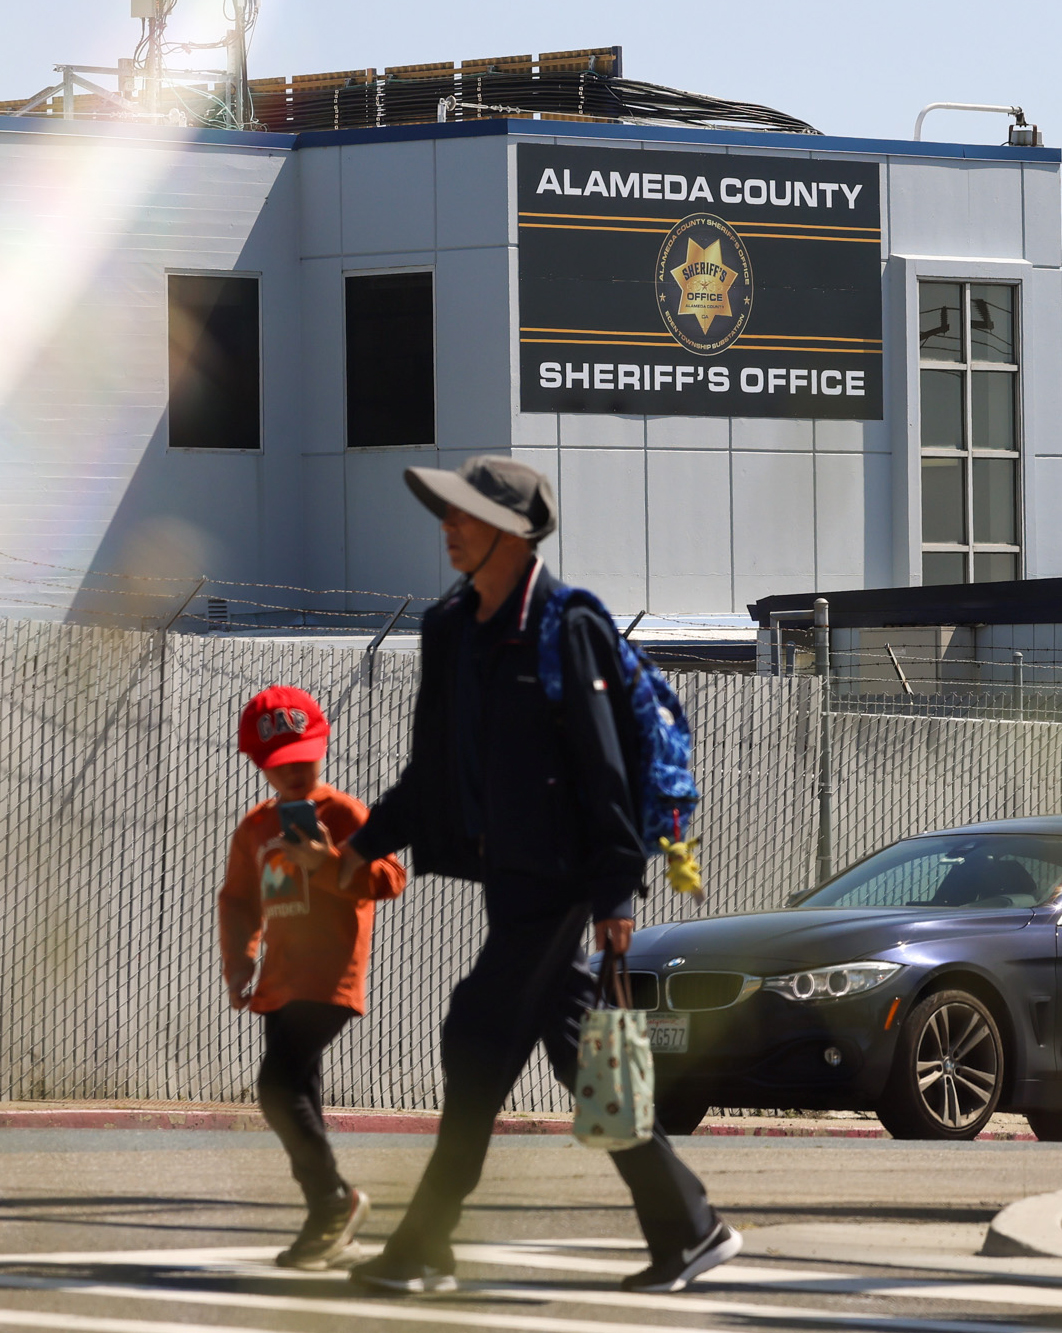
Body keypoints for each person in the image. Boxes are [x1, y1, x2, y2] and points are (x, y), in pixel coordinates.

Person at [340, 456, 741, 1295]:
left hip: (563, 882)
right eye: (445, 513)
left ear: (515, 535)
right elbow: (433, 769)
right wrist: (366, 840)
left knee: (475, 1035)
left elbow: (602, 766)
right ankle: (690, 1226)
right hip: (507, 878)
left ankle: (423, 1244)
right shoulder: (453, 629)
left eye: (465, 515)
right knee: (583, 1060)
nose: (447, 527)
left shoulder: (568, 626)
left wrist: (616, 889)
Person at [219, 685, 406, 1270]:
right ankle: (329, 1223)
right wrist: (238, 961)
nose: (296, 771)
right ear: (261, 766)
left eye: (305, 756)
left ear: (321, 747)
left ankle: (333, 1202)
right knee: (298, 1094)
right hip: (279, 980)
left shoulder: (343, 814)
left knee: (277, 1087)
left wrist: (326, 863)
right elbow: (239, 901)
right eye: (280, 764)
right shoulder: (255, 828)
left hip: (328, 979)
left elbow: (391, 877)